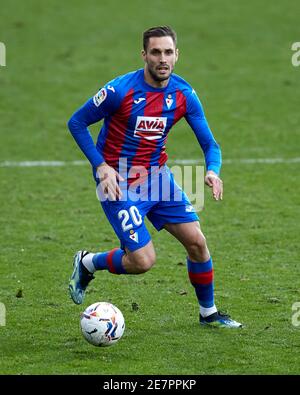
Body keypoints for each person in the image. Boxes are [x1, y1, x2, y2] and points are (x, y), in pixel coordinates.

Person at [67, 26, 242, 328]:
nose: (163, 59)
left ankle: (208, 314)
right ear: (144, 55)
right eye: (156, 52)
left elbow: (210, 144)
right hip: (118, 183)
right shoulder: (119, 91)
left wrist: (213, 172)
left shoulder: (184, 95)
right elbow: (77, 122)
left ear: (177, 55)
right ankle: (88, 262)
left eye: (168, 52)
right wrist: (100, 166)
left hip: (158, 178)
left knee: (198, 243)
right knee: (142, 261)